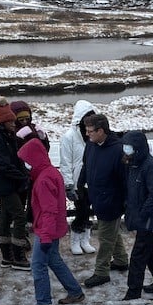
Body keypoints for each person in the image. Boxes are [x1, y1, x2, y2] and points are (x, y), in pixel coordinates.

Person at [17, 136, 85, 305]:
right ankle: (75, 292)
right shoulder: (50, 172)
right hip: (52, 228)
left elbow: (49, 211)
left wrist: (45, 236)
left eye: (26, 161)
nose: (25, 165)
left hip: (47, 230)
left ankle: (43, 301)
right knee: (54, 260)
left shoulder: (43, 180)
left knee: (38, 265)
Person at [78, 113, 129, 287]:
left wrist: (124, 203)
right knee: (111, 231)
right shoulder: (91, 145)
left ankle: (101, 272)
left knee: (105, 237)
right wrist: (81, 184)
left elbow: (125, 180)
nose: (87, 134)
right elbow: (86, 165)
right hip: (97, 197)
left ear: (101, 131)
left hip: (112, 201)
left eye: (90, 131)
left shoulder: (118, 149)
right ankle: (121, 260)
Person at [120, 130, 153, 301]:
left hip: (147, 219)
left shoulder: (149, 165)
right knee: (151, 251)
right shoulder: (132, 164)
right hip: (141, 217)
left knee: (138, 256)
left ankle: (133, 292)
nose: (125, 149)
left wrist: (142, 214)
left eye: (129, 147)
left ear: (137, 148)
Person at [0, 97, 31, 270]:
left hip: (7, 183)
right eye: (11, 121)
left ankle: (7, 257)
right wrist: (21, 176)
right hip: (5, 184)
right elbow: (3, 164)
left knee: (5, 217)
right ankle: (18, 256)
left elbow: (13, 158)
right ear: (3, 122)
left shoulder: (5, 135)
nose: (14, 123)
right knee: (19, 216)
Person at [58, 99, 98, 256]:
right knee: (81, 211)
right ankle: (75, 240)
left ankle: (85, 240)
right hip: (77, 182)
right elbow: (65, 162)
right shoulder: (69, 137)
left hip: (93, 180)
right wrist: (68, 184)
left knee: (88, 211)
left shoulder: (93, 136)